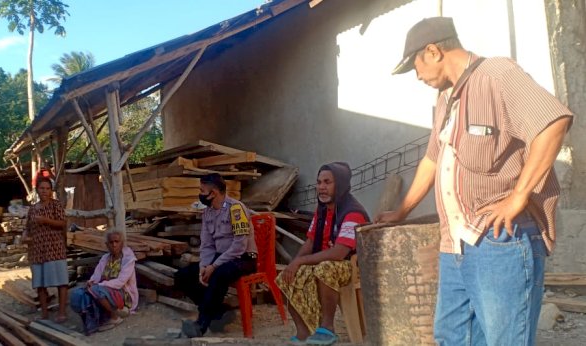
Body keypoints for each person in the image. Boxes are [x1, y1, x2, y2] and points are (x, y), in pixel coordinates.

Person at [378, 17, 573, 345]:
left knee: (503, 340)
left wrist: (518, 197)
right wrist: (401, 212)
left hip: (499, 242)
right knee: (452, 337)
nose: (417, 76)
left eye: (415, 66)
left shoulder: (497, 75)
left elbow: (553, 121)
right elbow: (432, 159)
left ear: (433, 51)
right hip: (455, 244)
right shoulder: (445, 99)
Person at [275, 162, 369, 345]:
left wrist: (301, 261)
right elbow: (310, 241)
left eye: (327, 182)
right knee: (284, 277)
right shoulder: (322, 210)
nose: (321, 187)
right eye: (319, 182)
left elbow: (339, 253)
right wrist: (294, 263)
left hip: (352, 265)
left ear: (339, 185)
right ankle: (303, 332)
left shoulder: (352, 212)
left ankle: (327, 328)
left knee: (325, 268)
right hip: (327, 261)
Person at [174, 173, 258, 338]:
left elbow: (239, 247)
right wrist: (203, 267)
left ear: (214, 193)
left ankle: (201, 324)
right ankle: (219, 313)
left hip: (244, 258)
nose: (200, 194)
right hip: (221, 257)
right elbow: (206, 244)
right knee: (182, 276)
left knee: (219, 274)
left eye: (202, 190)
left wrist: (213, 266)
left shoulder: (236, 209)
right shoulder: (207, 212)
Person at [25, 177, 69, 322]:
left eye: (47, 189)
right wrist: (24, 237)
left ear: (51, 191)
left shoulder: (56, 205)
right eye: (42, 188)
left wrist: (46, 220)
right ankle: (44, 313)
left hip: (54, 248)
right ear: (37, 190)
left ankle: (62, 312)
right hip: (37, 250)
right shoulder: (32, 209)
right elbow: (27, 229)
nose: (44, 191)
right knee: (40, 283)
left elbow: (63, 223)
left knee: (61, 281)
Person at [78, 230, 139, 332]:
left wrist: (100, 285)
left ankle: (115, 317)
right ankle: (92, 319)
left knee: (97, 290)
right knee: (79, 293)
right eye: (111, 242)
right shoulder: (105, 258)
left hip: (123, 294)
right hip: (106, 290)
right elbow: (96, 275)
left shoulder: (128, 259)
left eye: (117, 241)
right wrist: (92, 281)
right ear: (107, 245)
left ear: (122, 243)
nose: (114, 245)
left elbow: (120, 282)